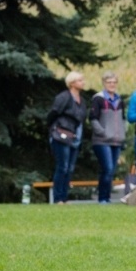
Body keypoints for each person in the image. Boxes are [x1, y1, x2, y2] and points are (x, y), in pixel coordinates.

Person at [46, 71, 88, 204]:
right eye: (80, 80)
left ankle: (64, 197)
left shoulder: (82, 101)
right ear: (72, 83)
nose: (83, 82)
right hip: (61, 136)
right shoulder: (63, 97)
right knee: (62, 167)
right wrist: (55, 129)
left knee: (70, 168)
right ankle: (58, 198)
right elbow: (53, 113)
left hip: (75, 137)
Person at [89, 71, 127, 204]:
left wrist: (123, 133)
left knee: (111, 171)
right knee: (108, 168)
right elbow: (93, 119)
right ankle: (102, 198)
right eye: (109, 82)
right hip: (102, 140)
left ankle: (107, 197)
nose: (112, 85)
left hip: (116, 141)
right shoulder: (98, 99)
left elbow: (123, 119)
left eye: (114, 82)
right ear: (104, 83)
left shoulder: (119, 100)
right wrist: (103, 132)